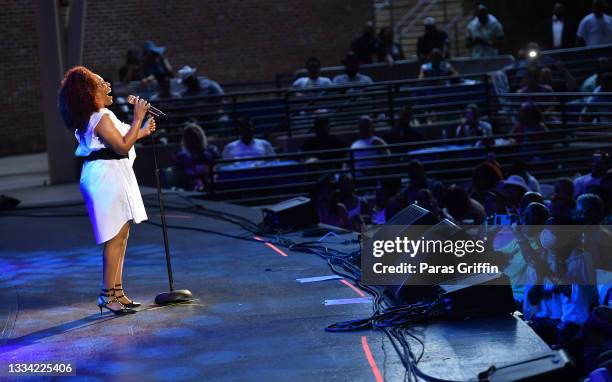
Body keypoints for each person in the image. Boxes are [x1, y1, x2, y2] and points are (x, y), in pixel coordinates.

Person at [58, 66, 156, 315]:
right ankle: (107, 295)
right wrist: (136, 118)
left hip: (109, 174)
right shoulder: (101, 116)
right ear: (90, 92)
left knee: (121, 235)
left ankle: (117, 292)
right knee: (114, 237)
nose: (109, 86)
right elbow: (122, 147)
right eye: (102, 83)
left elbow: (120, 142)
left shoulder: (95, 117)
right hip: (106, 177)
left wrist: (141, 130)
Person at [173, 122, 220, 191]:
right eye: (190, 136)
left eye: (195, 136)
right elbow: (182, 172)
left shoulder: (212, 150)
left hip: (211, 178)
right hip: (192, 182)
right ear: (186, 138)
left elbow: (218, 165)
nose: (193, 139)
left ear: (201, 136)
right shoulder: (181, 155)